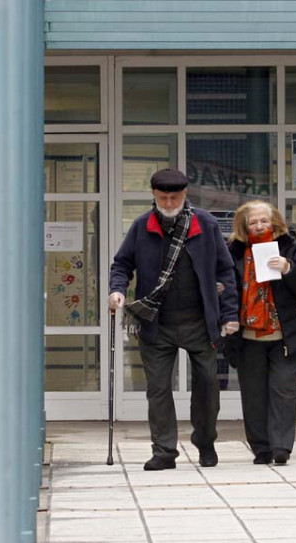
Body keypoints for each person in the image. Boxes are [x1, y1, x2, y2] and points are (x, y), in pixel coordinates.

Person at [109, 168, 239, 471]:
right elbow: (122, 263)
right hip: (157, 321)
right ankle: (164, 451)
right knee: (157, 388)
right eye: (163, 197)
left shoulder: (204, 223)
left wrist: (229, 314)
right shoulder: (142, 226)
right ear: (154, 195)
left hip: (200, 320)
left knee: (208, 384)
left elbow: (225, 270)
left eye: (174, 197)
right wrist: (117, 291)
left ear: (185, 194)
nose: (168, 203)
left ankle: (205, 442)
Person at [224, 201, 296, 466]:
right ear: (244, 226)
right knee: (253, 395)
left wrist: (289, 269)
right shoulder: (234, 252)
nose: (258, 226)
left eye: (263, 221)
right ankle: (261, 448)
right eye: (252, 222)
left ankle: (281, 447)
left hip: (284, 335)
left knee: (283, 391)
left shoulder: (290, 247)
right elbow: (226, 286)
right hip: (247, 336)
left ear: (274, 222)